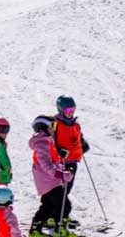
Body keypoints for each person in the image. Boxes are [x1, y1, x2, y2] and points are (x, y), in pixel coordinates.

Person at [29, 115, 72, 232]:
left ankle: (35, 230)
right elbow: (46, 166)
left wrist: (61, 162)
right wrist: (60, 175)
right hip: (49, 181)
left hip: (49, 181)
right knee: (64, 206)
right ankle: (61, 230)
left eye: (55, 125)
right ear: (43, 127)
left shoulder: (46, 141)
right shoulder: (41, 144)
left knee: (47, 206)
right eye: (52, 126)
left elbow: (53, 161)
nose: (54, 128)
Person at [51, 95, 88, 227]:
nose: (70, 113)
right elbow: (50, 141)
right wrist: (57, 149)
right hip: (61, 162)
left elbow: (78, 138)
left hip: (72, 161)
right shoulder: (55, 124)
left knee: (67, 189)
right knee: (59, 191)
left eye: (72, 109)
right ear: (60, 110)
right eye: (67, 110)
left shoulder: (76, 124)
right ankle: (53, 216)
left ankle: (62, 215)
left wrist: (83, 144)